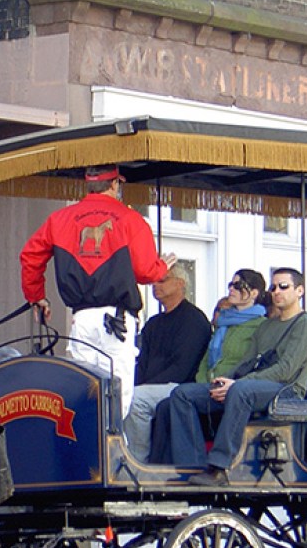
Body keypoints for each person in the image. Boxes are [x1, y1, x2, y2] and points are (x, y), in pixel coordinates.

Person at [20, 164, 176, 414]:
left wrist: (37, 297)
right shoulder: (130, 219)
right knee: (119, 393)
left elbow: (30, 256)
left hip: (81, 318)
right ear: (114, 184)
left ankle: (87, 447)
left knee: (82, 388)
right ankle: (112, 448)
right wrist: (162, 268)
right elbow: (146, 272)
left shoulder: (59, 219)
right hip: (118, 321)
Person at [162, 268, 307, 481]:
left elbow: (286, 370)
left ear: (299, 290)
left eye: (284, 286)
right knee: (182, 394)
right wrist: (226, 380)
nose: (277, 291)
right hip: (255, 385)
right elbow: (247, 361)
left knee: (241, 390)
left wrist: (237, 384)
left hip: (287, 390)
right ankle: (192, 468)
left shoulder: (305, 324)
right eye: (274, 287)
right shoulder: (267, 325)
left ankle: (220, 466)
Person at [146, 269, 267, 463]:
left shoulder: (261, 326)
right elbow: (206, 358)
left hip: (232, 388)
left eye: (238, 285)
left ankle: (192, 464)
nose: (231, 289)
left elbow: (251, 363)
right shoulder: (224, 323)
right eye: (231, 284)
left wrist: (228, 383)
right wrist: (203, 380)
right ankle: (160, 467)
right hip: (208, 385)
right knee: (165, 407)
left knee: (179, 398)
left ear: (253, 293)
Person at [123, 261, 211, 460]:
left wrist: (143, 387)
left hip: (182, 386)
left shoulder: (194, 319)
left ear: (180, 283)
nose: (156, 285)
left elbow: (183, 366)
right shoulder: (154, 323)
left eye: (162, 280)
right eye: (154, 281)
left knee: (136, 399)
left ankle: (137, 462)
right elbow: (141, 362)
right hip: (151, 386)